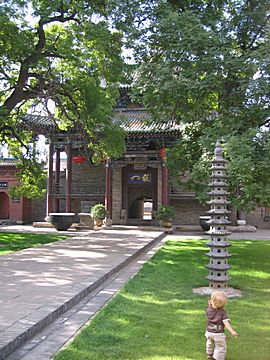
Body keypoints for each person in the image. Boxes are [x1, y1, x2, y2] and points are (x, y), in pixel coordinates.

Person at [205, 290, 238, 360]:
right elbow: (226, 323)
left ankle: (209, 354)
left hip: (209, 332)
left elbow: (210, 312)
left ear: (212, 302)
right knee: (220, 346)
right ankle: (217, 358)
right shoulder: (223, 312)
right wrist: (232, 331)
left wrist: (210, 305)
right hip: (218, 334)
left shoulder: (208, 310)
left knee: (210, 343)